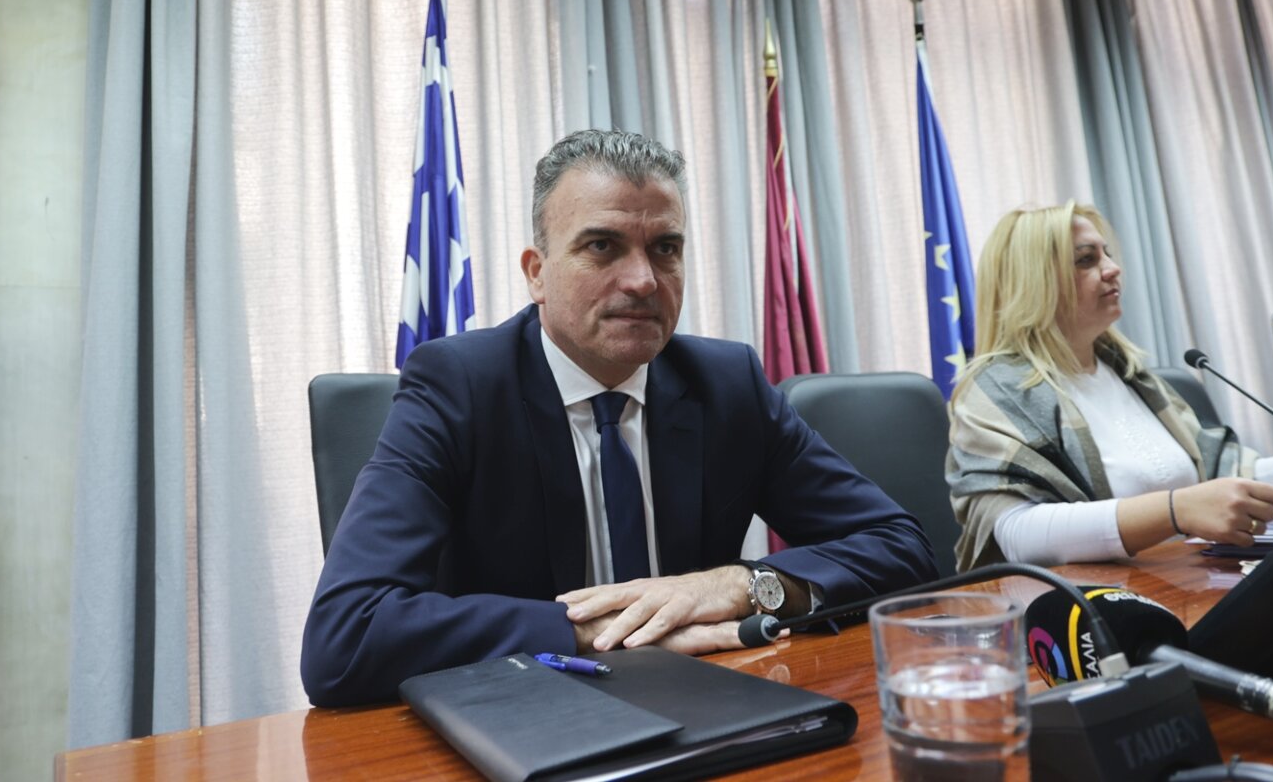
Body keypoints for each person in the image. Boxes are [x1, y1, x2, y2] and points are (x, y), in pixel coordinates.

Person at [301, 129, 935, 706]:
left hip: (702, 702)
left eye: (665, 249)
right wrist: (598, 626)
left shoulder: (725, 384)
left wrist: (741, 586)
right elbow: (346, 637)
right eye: (602, 246)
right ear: (537, 274)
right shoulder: (457, 386)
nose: (643, 280)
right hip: (530, 714)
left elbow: (901, 547)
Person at [946, 201, 1273, 572]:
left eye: (1107, 254)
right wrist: (1175, 510)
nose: (1112, 269)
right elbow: (1015, 533)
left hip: (1182, 584)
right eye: (1087, 260)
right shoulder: (995, 391)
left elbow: (1218, 480)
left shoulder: (1130, 375)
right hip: (1084, 618)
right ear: (1035, 283)